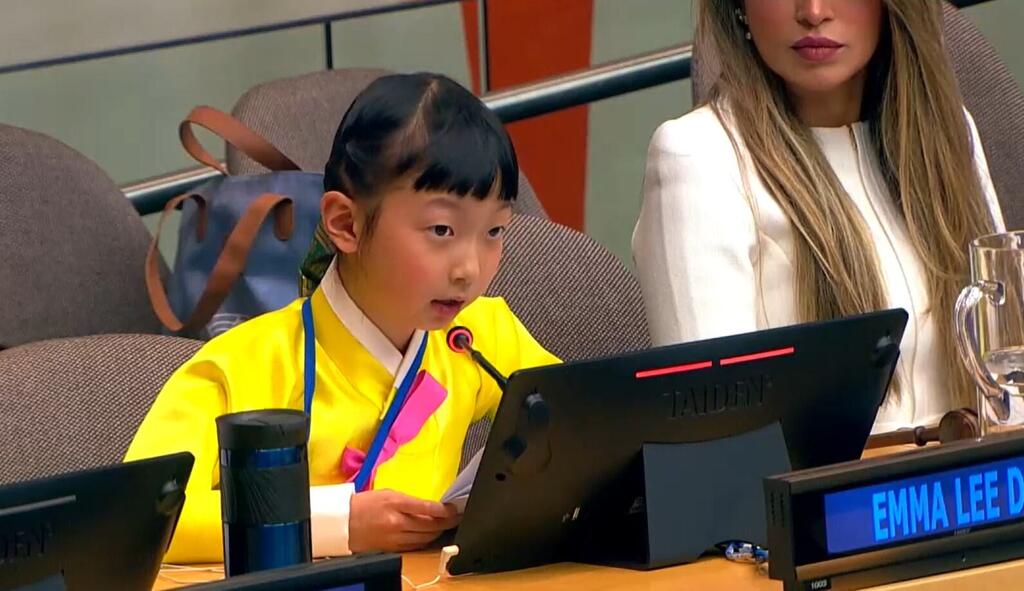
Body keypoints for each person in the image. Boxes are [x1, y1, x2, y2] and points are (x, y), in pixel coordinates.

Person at [126, 73, 559, 563]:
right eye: (442, 229)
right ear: (346, 224)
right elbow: (140, 515)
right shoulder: (240, 366)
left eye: (494, 231)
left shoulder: (478, 335)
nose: (470, 268)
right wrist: (337, 522)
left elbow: (585, 416)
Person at [632, 0, 1005, 434]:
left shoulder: (949, 134)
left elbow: (1010, 384)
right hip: (823, 501)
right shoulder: (698, 158)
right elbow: (721, 454)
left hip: (985, 491)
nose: (813, 11)